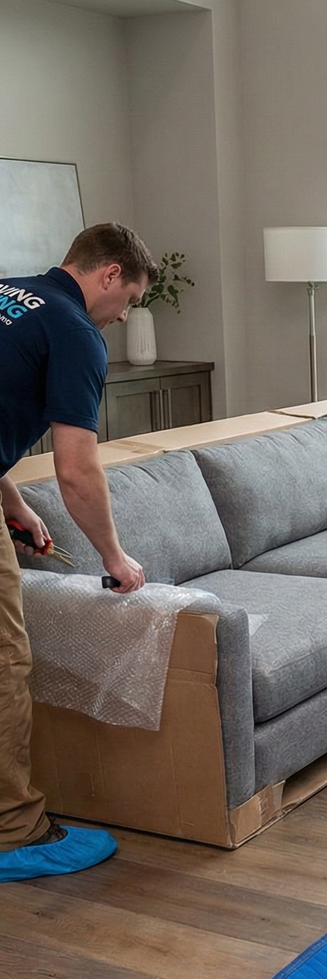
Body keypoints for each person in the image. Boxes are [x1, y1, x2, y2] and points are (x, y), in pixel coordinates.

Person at [0, 222, 152, 882]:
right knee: (5, 661)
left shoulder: (8, 292)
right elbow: (76, 470)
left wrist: (10, 500)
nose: (122, 317)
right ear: (109, 274)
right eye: (129, 301)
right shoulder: (73, 331)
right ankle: (15, 834)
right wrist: (115, 559)